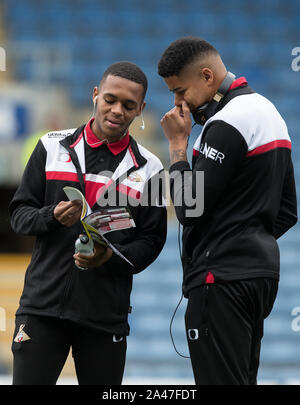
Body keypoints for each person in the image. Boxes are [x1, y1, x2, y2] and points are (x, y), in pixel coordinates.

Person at [9, 61, 167, 385]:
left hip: (104, 318)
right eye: (110, 99)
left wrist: (110, 258)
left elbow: (152, 241)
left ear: (141, 109)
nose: (117, 110)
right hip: (41, 310)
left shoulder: (151, 168)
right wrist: (50, 216)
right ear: (95, 94)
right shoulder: (50, 147)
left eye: (128, 105)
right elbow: (18, 215)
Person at [158, 36, 297, 385]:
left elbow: (189, 209)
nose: (178, 102)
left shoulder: (227, 122)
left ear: (207, 76)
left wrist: (177, 147)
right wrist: (246, 237)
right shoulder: (269, 112)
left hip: (220, 279)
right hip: (261, 275)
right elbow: (288, 211)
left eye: (179, 90)